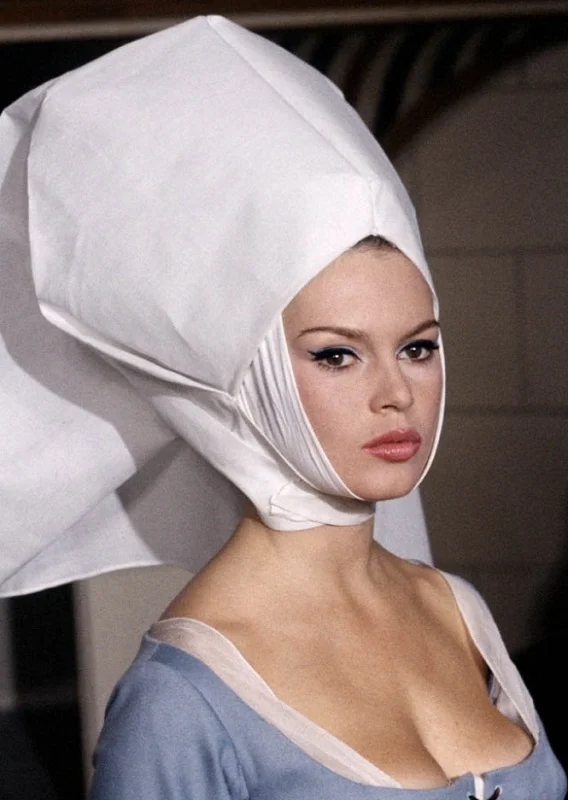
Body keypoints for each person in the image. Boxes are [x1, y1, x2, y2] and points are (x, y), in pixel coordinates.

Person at [0, 15, 565, 800]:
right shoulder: (180, 704)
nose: (397, 391)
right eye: (337, 354)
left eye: (417, 347)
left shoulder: (457, 609)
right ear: (248, 377)